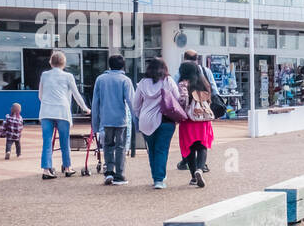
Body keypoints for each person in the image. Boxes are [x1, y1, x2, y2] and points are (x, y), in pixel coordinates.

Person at [37, 50, 89, 180]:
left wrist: (48, 102)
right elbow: (76, 94)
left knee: (47, 141)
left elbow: (40, 95)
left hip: (46, 111)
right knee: (65, 141)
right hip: (62, 111)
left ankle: (46, 169)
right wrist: (85, 108)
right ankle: (67, 167)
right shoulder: (68, 76)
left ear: (51, 62)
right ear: (64, 63)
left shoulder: (44, 75)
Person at [134, 57, 184, 190]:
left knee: (152, 150)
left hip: (146, 121)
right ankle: (159, 179)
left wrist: (141, 116)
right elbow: (178, 99)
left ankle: (156, 176)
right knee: (162, 149)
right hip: (166, 120)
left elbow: (136, 105)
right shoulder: (168, 81)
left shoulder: (142, 83)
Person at [91, 54, 136, 185]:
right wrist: (136, 119)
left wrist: (95, 122)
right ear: (123, 65)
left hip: (105, 118)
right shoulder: (125, 80)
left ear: (109, 65)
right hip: (120, 119)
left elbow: (95, 102)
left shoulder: (100, 79)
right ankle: (119, 174)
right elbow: (131, 101)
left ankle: (109, 171)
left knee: (107, 145)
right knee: (120, 146)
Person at [177, 60, 215, 188]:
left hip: (188, 121)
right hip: (203, 120)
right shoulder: (204, 84)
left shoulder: (183, 84)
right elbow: (209, 100)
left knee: (190, 148)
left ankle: (193, 176)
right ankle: (200, 169)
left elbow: (181, 101)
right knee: (202, 146)